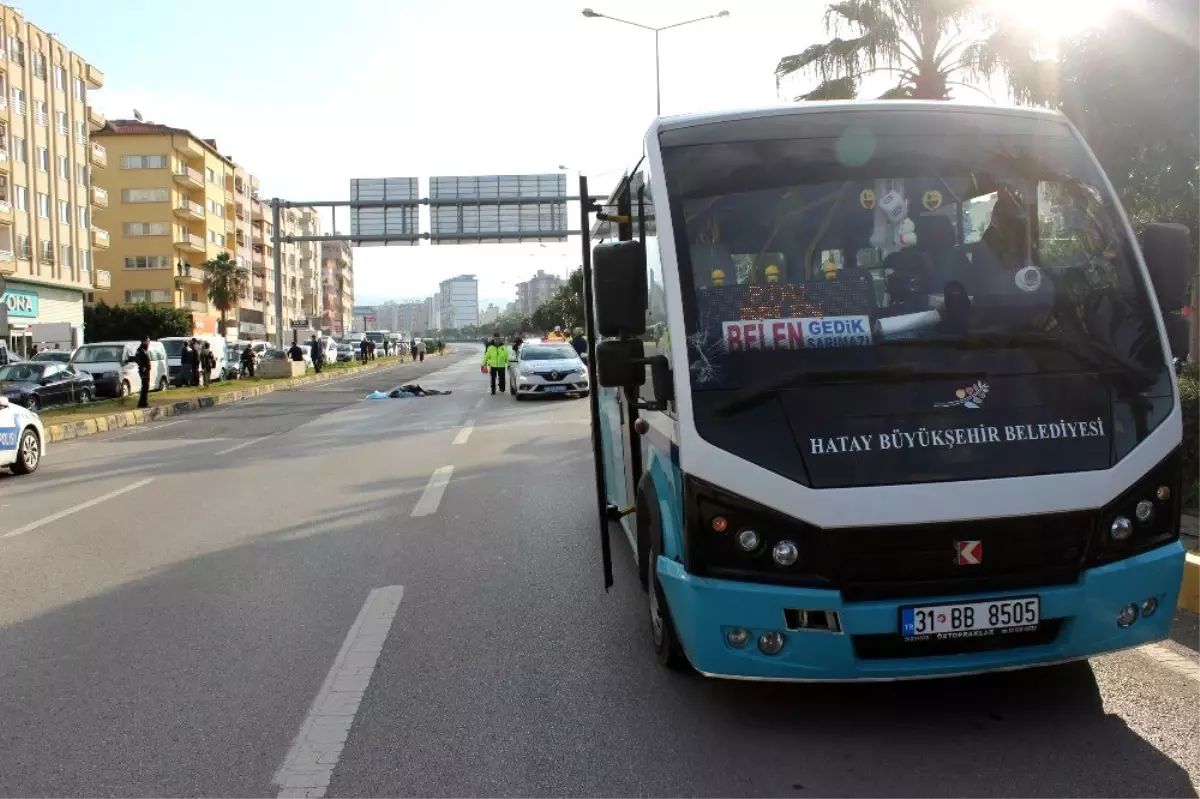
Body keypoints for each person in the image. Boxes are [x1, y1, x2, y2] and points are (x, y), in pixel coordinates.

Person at [135, 337, 152, 408]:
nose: (148, 343)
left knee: (146, 387)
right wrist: (143, 367)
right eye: (147, 341)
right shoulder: (140, 350)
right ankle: (142, 403)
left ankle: (143, 402)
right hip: (143, 370)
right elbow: (137, 359)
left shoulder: (145, 350)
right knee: (145, 387)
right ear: (143, 341)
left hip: (147, 370)